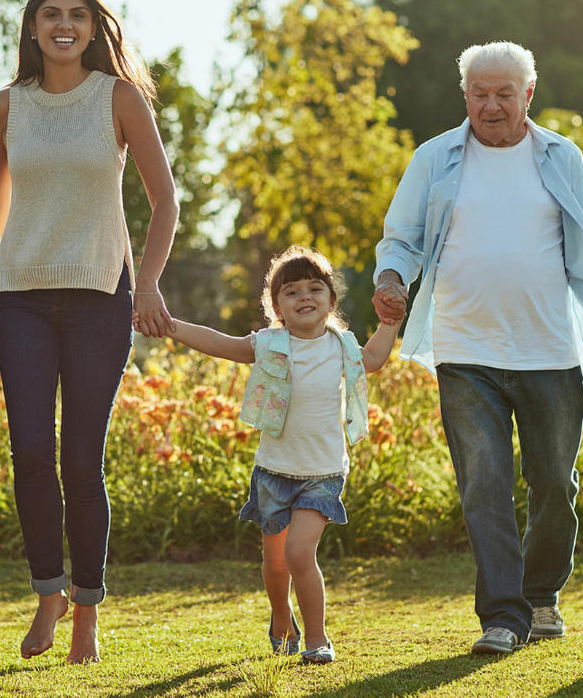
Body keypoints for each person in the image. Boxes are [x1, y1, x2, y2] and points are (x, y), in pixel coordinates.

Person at [0, 0, 178, 665]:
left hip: (100, 297)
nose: (64, 25)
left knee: (81, 459)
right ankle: (47, 590)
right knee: (27, 452)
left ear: (95, 26)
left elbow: (164, 201)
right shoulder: (4, 108)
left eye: (77, 14)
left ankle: (85, 611)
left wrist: (150, 287)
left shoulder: (119, 98)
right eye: (51, 14)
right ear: (32, 27)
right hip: (19, 298)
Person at [372, 41, 583, 655]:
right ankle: (504, 617)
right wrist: (389, 280)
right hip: (465, 347)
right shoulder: (436, 157)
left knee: (554, 485)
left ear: (527, 95)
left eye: (503, 93)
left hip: (549, 349)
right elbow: (399, 238)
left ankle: (541, 595)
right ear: (466, 96)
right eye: (479, 93)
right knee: (484, 485)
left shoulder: (562, 156)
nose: (490, 104)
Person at [145, 246, 400, 664]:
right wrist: (170, 327)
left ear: (331, 301)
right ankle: (281, 614)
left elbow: (374, 358)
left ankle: (318, 639)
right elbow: (220, 342)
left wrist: (390, 322)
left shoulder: (341, 346)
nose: (305, 297)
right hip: (274, 471)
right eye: (292, 291)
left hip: (323, 472)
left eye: (315, 288)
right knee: (276, 565)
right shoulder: (269, 344)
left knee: (300, 553)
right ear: (276, 306)